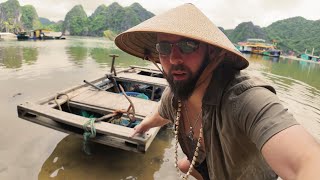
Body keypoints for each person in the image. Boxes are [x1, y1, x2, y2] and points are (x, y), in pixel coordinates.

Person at [114, 3, 320, 180]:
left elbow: (307, 160)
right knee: (185, 165)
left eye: (187, 45)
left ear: (212, 52)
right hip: (208, 165)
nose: (174, 59)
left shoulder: (245, 99)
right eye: (165, 48)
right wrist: (141, 127)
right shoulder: (174, 96)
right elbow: (160, 113)